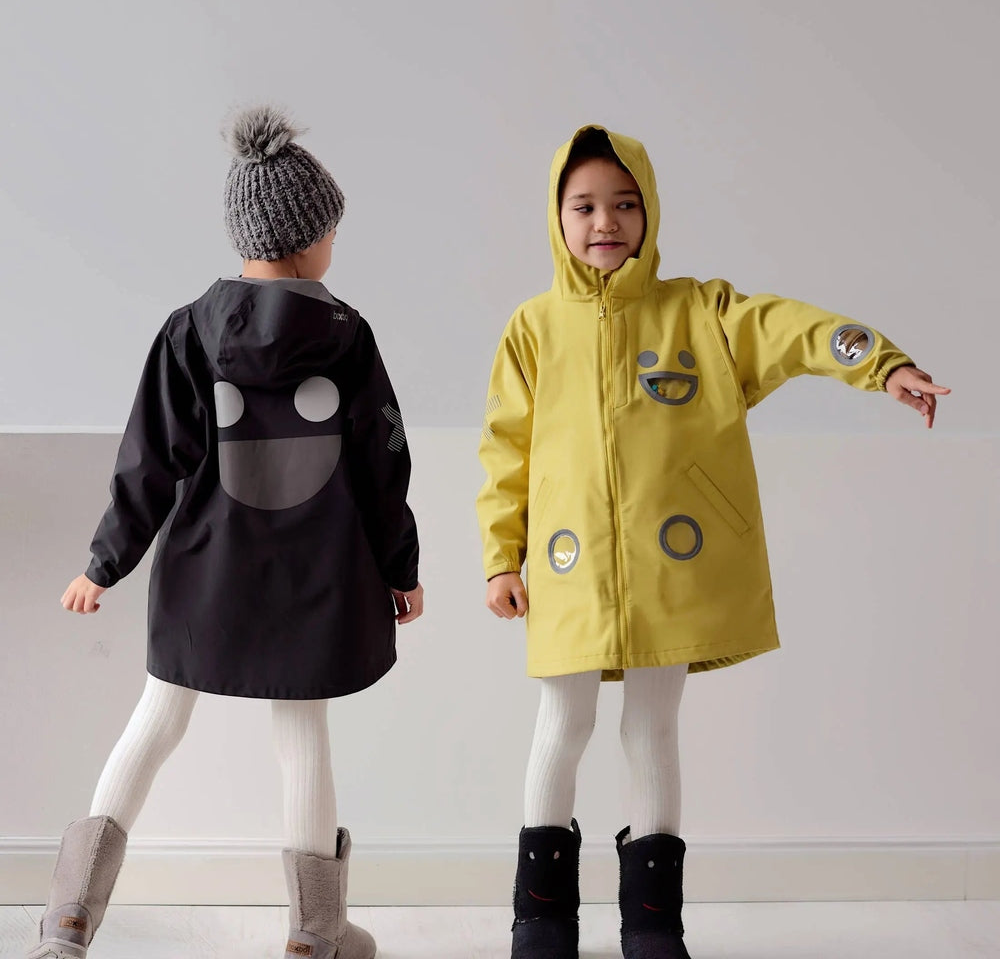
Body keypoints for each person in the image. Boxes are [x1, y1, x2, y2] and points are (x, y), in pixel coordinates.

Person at [476, 125, 949, 959]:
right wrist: (499, 557)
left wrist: (882, 364)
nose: (605, 223)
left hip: (670, 568)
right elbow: (505, 449)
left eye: (625, 204)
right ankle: (540, 914)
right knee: (564, 720)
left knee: (652, 726)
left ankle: (653, 922)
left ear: (650, 212)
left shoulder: (700, 311)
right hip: (568, 565)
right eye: (584, 206)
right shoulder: (533, 327)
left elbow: (795, 329)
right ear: (556, 217)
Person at [28, 106, 422, 959]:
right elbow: (382, 465)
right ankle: (316, 936)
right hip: (318, 577)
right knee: (302, 732)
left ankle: (68, 920)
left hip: (206, 574)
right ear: (310, 236)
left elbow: (149, 463)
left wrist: (105, 563)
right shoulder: (347, 336)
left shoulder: (187, 334)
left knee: (156, 721)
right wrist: (402, 567)